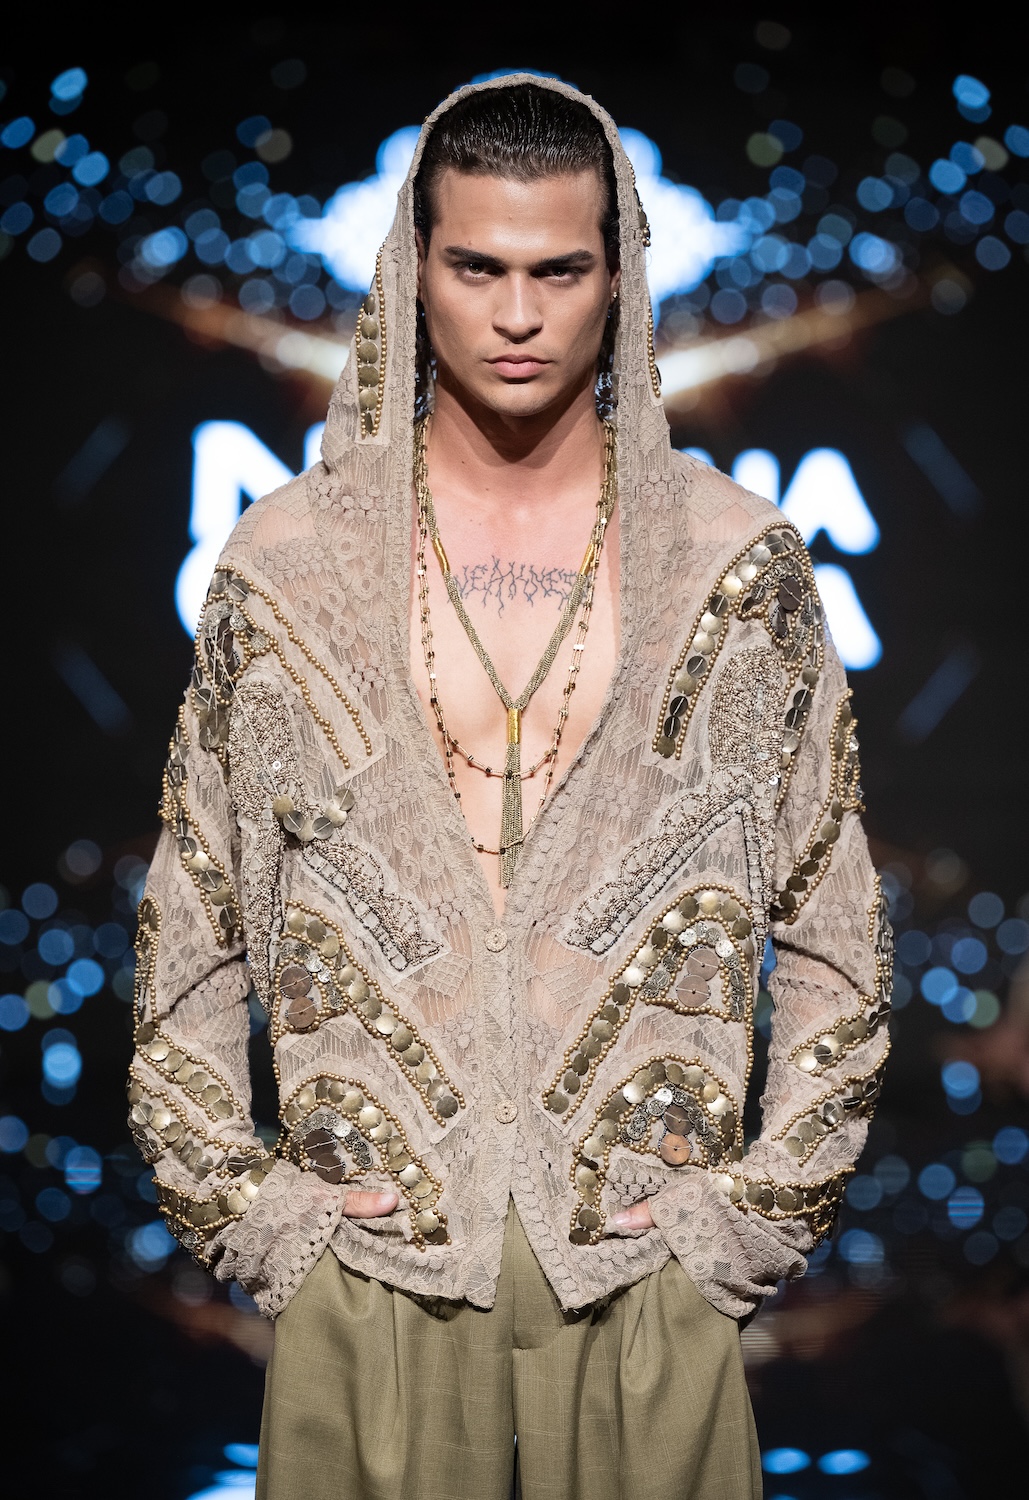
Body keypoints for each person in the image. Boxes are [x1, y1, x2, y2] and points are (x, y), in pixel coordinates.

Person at [126, 74, 893, 1500]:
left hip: (644, 1275)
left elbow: (831, 922)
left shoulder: (738, 565)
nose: (518, 315)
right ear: (412, 269)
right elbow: (194, 911)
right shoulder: (283, 568)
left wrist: (744, 1222)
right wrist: (252, 1211)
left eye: (559, 270)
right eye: (475, 268)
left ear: (622, 274)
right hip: (368, 1273)